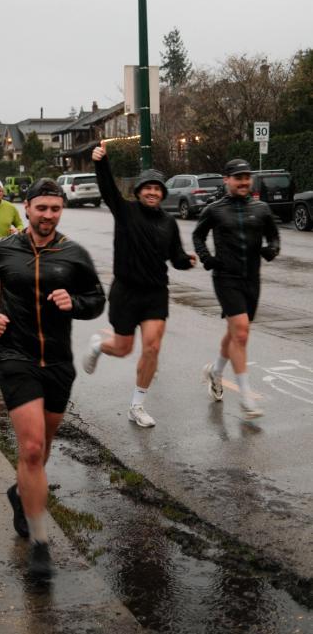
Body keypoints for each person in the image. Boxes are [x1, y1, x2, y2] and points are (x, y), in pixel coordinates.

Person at [0, 179, 105, 579]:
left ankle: (20, 493)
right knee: (30, 449)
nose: (47, 215)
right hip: (16, 356)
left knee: (40, 453)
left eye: (54, 209)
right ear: (26, 208)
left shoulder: (73, 254)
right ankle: (41, 542)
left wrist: (74, 303)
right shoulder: (3, 250)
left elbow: (97, 299)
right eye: (41, 207)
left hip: (58, 363)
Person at [81, 142, 196, 428]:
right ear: (139, 191)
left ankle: (137, 405)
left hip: (155, 292)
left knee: (152, 348)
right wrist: (100, 162)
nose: (153, 192)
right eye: (148, 188)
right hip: (126, 291)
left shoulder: (169, 223)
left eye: (157, 189)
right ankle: (98, 346)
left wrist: (187, 260)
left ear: (162, 193)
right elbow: (107, 189)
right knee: (123, 349)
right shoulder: (125, 211)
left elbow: (176, 257)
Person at [193, 158, 280, 419]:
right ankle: (246, 398)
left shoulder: (261, 208)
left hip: (252, 279)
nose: (243, 182)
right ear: (226, 180)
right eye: (237, 177)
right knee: (241, 333)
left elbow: (274, 235)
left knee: (236, 332)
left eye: (246, 177)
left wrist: (272, 249)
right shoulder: (215, 209)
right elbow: (198, 235)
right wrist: (207, 259)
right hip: (225, 277)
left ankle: (215, 372)